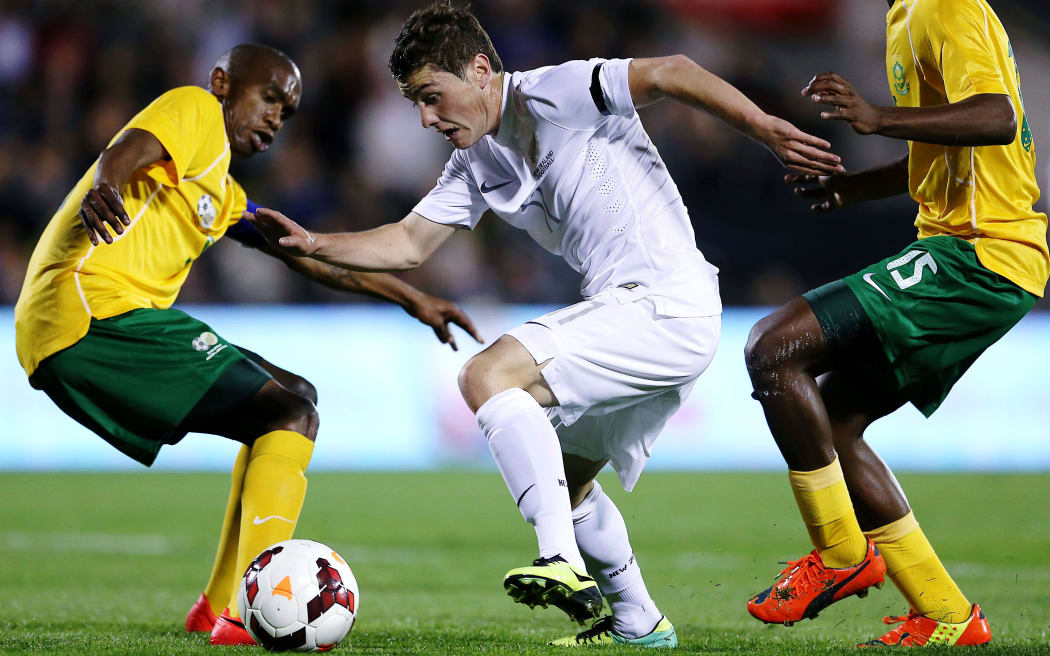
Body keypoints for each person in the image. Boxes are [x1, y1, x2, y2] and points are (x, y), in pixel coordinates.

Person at [245, 2, 843, 647]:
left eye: (431, 96)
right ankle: (639, 621)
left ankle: (559, 559)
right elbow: (407, 244)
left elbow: (670, 70)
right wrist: (313, 243)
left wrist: (765, 127)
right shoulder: (476, 161)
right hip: (639, 316)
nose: (426, 117)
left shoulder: (551, 92)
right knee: (566, 475)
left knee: (486, 374)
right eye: (416, 104)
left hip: (662, 302)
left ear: (480, 70)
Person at [13, 43, 480, 647]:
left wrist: (409, 297)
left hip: (91, 327)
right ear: (222, 83)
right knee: (292, 409)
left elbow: (306, 257)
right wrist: (106, 182)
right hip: (91, 310)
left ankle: (217, 607)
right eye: (268, 99)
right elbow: (125, 151)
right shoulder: (195, 110)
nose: (274, 120)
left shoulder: (222, 195)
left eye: (285, 114)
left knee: (284, 409)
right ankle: (247, 614)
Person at [743, 0, 1045, 647]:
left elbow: (997, 117)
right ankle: (948, 614)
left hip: (977, 252)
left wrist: (878, 118)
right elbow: (946, 152)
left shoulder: (948, 5)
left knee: (772, 348)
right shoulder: (906, 14)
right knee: (837, 422)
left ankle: (839, 557)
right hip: (973, 253)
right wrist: (857, 189)